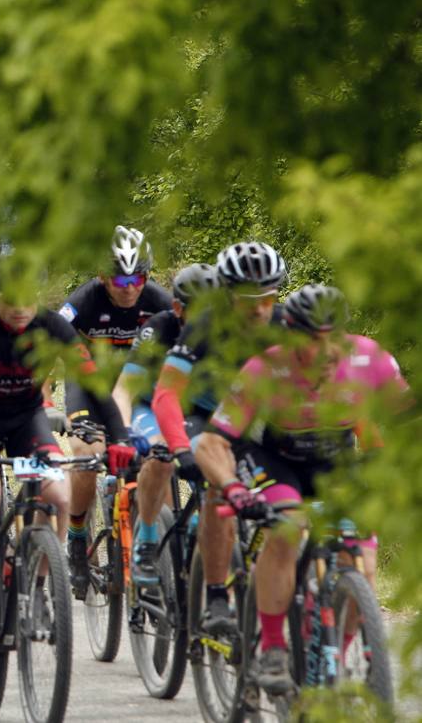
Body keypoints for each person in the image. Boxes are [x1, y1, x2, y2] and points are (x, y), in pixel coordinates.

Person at [195, 284, 408, 695]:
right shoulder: (263, 371)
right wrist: (233, 488)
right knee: (287, 527)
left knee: (360, 557)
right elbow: (211, 443)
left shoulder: (370, 359)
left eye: (335, 338)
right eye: (314, 340)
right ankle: (273, 648)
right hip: (275, 461)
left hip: (335, 461)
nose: (329, 352)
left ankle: (325, 652)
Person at [0, 256, 131, 657]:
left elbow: (94, 385)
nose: (19, 309)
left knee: (59, 495)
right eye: (10, 300)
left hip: (25, 421)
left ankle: (37, 587)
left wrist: (118, 439)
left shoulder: (53, 329)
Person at [152, 240, 288, 638]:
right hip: (204, 418)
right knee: (217, 484)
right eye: (248, 298)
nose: (260, 308)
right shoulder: (203, 327)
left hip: (258, 421)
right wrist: (180, 447)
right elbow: (165, 395)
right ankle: (215, 596)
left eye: (268, 296)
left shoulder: (287, 325)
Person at [60, 226, 174, 592]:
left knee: (159, 460)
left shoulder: (159, 301)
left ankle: (160, 553)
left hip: (138, 391)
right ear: (101, 276)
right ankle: (77, 536)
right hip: (90, 389)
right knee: (86, 455)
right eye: (120, 278)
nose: (129, 287)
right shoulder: (85, 301)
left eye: (137, 277)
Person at [112, 263, 222, 584]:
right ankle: (146, 537)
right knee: (161, 454)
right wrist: (122, 432)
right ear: (178, 309)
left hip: (199, 413)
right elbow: (124, 387)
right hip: (151, 408)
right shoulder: (158, 329)